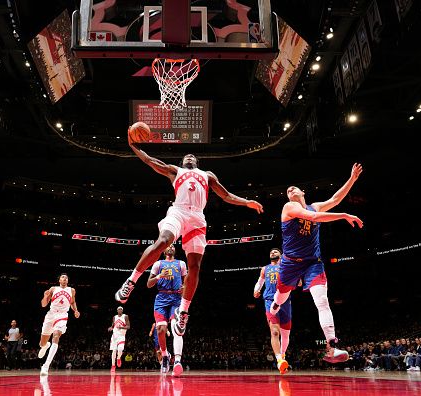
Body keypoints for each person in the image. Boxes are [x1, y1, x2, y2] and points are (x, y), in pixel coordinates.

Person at [115, 134, 263, 337]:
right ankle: (131, 281)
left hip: (197, 218)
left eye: (193, 156)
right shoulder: (176, 171)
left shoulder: (207, 175)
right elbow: (150, 161)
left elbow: (226, 195)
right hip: (179, 212)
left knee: (194, 266)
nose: (190, 156)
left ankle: (183, 312)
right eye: (187, 156)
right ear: (183, 162)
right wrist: (133, 146)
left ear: (197, 162)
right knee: (163, 241)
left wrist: (247, 202)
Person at [270, 164, 364, 363]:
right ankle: (276, 305)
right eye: (288, 191)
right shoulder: (289, 207)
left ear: (303, 192)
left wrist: (352, 179)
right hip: (290, 263)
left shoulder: (316, 205)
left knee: (322, 301)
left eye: (294, 188)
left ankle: (333, 346)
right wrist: (344, 215)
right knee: (281, 296)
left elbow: (335, 199)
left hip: (313, 262)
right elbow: (312, 217)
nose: (290, 190)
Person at [147, 244, 186, 375]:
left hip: (176, 298)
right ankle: (165, 356)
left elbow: (187, 283)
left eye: (173, 246)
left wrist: (184, 288)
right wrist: (159, 276)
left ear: (175, 250)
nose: (171, 247)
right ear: (164, 250)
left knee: (176, 329)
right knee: (161, 329)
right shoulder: (158, 264)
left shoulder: (181, 264)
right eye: (168, 246)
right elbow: (148, 284)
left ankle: (177, 361)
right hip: (161, 298)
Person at [253, 248, 293, 374]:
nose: (272, 253)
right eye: (271, 252)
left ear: (280, 255)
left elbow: (294, 278)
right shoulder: (265, 268)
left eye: (275, 252)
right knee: (275, 332)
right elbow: (260, 281)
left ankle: (283, 354)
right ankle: (279, 360)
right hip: (269, 300)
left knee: (285, 334)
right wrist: (256, 290)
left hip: (285, 300)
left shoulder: (286, 265)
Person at [37, 273, 80, 376]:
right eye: (62, 277)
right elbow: (43, 305)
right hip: (51, 315)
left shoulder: (72, 290)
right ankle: (45, 346)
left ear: (67, 281)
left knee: (56, 336)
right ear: (59, 280)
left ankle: (46, 366)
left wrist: (76, 310)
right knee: (42, 343)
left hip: (62, 315)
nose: (65, 279)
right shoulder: (53, 289)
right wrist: (45, 296)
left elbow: (72, 302)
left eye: (66, 278)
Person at [108, 307, 130, 372]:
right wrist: (111, 328)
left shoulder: (125, 316)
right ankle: (113, 366)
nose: (120, 310)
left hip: (121, 336)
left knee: (120, 349)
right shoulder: (114, 317)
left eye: (121, 309)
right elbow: (113, 325)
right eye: (118, 309)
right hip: (114, 336)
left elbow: (128, 326)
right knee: (114, 351)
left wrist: (121, 327)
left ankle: (118, 358)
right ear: (117, 310)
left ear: (122, 310)